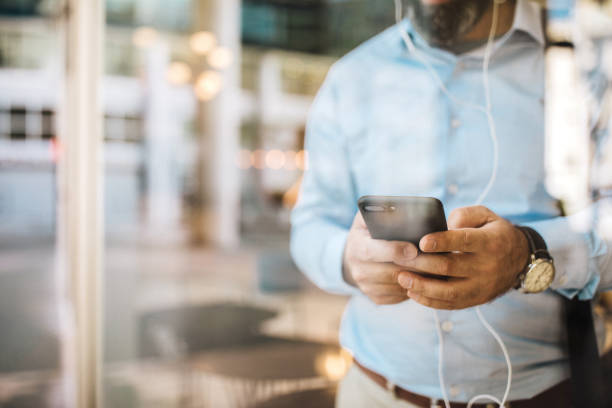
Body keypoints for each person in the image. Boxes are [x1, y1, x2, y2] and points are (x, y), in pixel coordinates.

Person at [290, 0, 612, 407]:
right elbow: (311, 224)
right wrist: (348, 261)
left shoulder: (589, 67)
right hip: (375, 393)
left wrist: (528, 253)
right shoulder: (352, 78)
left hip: (552, 394)